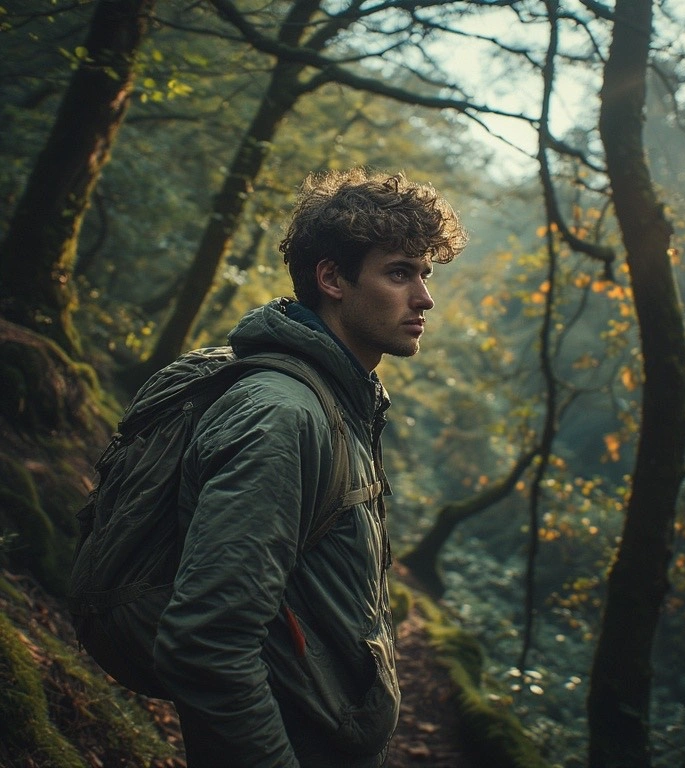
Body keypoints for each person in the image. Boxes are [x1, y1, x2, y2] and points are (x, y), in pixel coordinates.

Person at [153, 168, 468, 767]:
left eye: (424, 275)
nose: (425, 298)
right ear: (331, 278)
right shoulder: (282, 416)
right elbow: (206, 643)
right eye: (400, 273)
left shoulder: (340, 399)